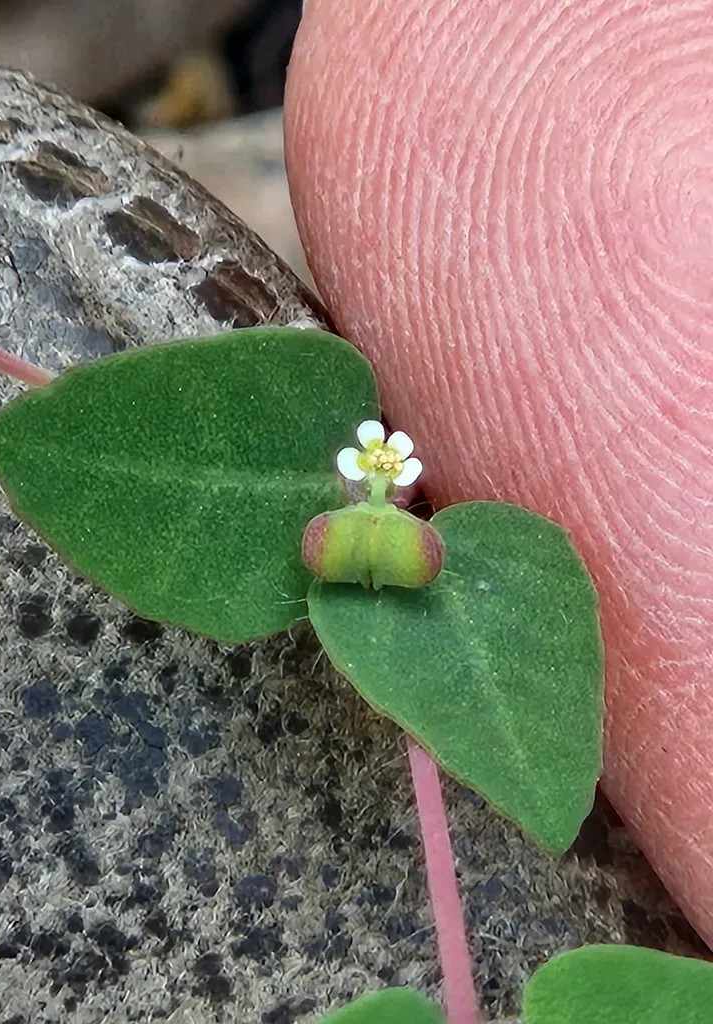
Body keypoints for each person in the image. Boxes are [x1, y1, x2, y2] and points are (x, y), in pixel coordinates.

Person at [284, 0, 713, 947]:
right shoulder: (367, 507)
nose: (389, 470)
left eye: (389, 469)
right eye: (385, 468)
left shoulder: (399, 516)